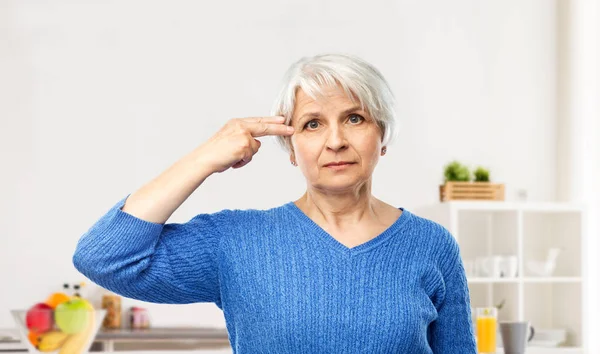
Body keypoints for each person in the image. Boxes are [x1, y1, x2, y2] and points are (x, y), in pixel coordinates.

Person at [73, 53, 476, 353]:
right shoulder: (235, 241)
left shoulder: (432, 245)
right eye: (312, 124)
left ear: (382, 136)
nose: (335, 141)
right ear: (290, 147)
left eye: (354, 118)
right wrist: (205, 157)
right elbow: (104, 257)